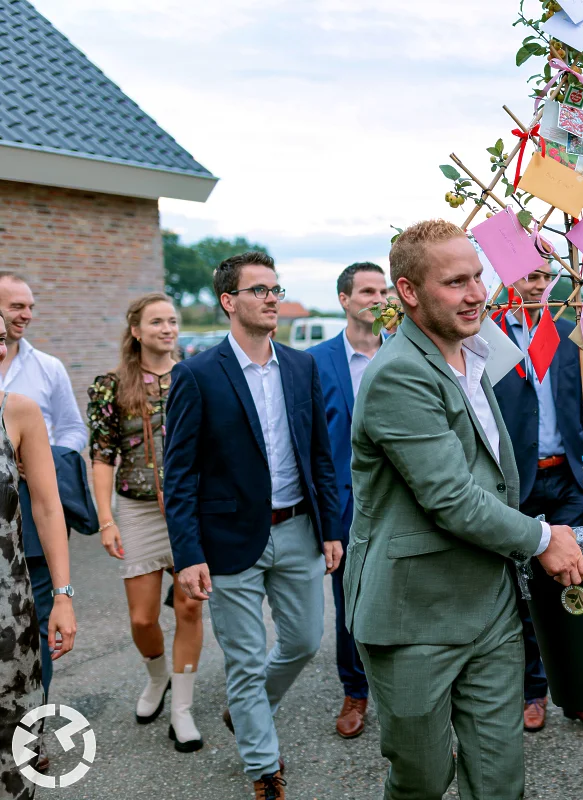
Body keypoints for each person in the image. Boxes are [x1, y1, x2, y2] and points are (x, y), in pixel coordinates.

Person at [342, 220, 583, 800]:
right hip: (413, 616)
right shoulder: (399, 373)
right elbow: (451, 498)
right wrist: (543, 538)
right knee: (422, 780)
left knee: (500, 780)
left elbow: (498, 475)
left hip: (490, 610)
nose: (477, 292)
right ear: (408, 292)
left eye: (478, 276)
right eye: (455, 282)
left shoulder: (477, 356)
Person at [163, 252, 342, 800]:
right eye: (259, 289)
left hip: (297, 530)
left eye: (275, 288)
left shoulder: (301, 366)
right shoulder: (196, 374)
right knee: (243, 658)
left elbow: (320, 455)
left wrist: (331, 527)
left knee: (306, 640)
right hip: (228, 538)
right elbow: (180, 474)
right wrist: (189, 553)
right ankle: (264, 770)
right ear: (229, 301)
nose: (272, 297)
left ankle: (247, 710)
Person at [492, 267, 583, 736]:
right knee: (526, 593)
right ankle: (533, 692)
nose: (538, 283)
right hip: (515, 484)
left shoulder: (570, 332)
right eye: (528, 274)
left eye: (546, 274)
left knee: (579, 584)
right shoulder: (489, 333)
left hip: (567, 480)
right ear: (508, 277)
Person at [87, 293, 205, 752]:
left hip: (189, 509)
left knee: (191, 607)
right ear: (136, 329)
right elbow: (101, 457)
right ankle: (158, 678)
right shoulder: (110, 385)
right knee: (142, 617)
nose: (167, 328)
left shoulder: (195, 377)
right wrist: (105, 521)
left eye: (172, 321)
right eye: (157, 321)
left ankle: (183, 709)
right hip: (136, 510)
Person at [0, 273, 87, 712]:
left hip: (33, 512)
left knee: (31, 626)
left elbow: (74, 428)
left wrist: (39, 460)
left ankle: (29, 729)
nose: (26, 315)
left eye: (30, 307)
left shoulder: (47, 367)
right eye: (17, 306)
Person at [0, 308, 78, 800]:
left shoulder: (19, 410)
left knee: (13, 739)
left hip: (7, 605)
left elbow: (49, 508)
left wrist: (64, 596)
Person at [310, 262, 388, 739]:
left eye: (382, 290)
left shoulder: (403, 353)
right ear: (344, 299)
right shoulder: (314, 363)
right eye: (366, 291)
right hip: (346, 504)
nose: (376, 299)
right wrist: (325, 524)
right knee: (349, 604)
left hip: (404, 499)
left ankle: (409, 687)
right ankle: (354, 690)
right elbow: (312, 445)